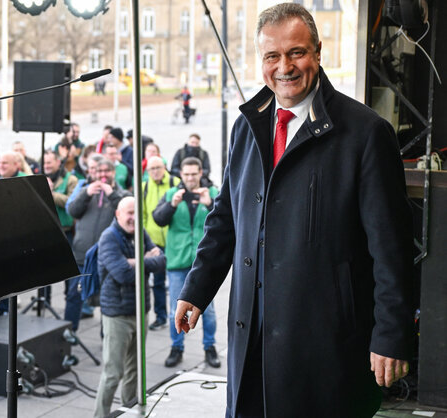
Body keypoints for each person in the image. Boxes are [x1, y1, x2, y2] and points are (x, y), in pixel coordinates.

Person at [173, 4, 413, 417]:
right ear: (261, 61)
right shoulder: (246, 126)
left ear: (318, 52)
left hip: (324, 349)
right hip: (251, 340)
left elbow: (391, 249)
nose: (284, 66)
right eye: (272, 56)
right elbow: (226, 218)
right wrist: (197, 287)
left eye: (296, 52)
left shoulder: (366, 134)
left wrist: (391, 335)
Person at [93, 196, 164, 418]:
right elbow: (122, 274)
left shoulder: (140, 232)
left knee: (136, 370)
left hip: (140, 309)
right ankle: (100, 415)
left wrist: (133, 261)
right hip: (117, 314)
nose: (133, 218)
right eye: (129, 213)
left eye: (136, 212)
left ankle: (130, 410)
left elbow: (162, 261)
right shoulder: (108, 238)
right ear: (118, 214)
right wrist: (143, 259)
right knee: (113, 372)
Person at [152, 157, 220, 368]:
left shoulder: (213, 194)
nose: (190, 178)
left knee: (207, 310)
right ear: (181, 174)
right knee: (175, 309)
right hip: (177, 260)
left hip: (203, 262)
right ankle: (176, 347)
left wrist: (210, 204)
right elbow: (158, 218)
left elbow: (226, 221)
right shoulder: (173, 194)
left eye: (194, 174)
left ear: (201, 173)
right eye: (186, 174)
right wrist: (172, 205)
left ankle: (210, 346)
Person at [65, 158, 130, 333]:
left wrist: (111, 194)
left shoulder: (122, 195)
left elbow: (127, 217)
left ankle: (106, 336)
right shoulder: (87, 190)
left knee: (106, 300)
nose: (102, 175)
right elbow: (72, 211)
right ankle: (68, 335)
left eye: (106, 171)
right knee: (73, 296)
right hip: (82, 255)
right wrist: (85, 194)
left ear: (113, 173)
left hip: (106, 257)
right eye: (99, 172)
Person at [142, 156, 179, 330]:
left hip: (174, 242)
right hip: (154, 242)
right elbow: (141, 216)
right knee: (157, 282)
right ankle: (161, 316)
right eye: (151, 169)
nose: (155, 171)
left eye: (158, 167)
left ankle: (179, 316)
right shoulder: (144, 187)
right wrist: (146, 242)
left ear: (165, 167)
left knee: (175, 280)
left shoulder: (175, 183)